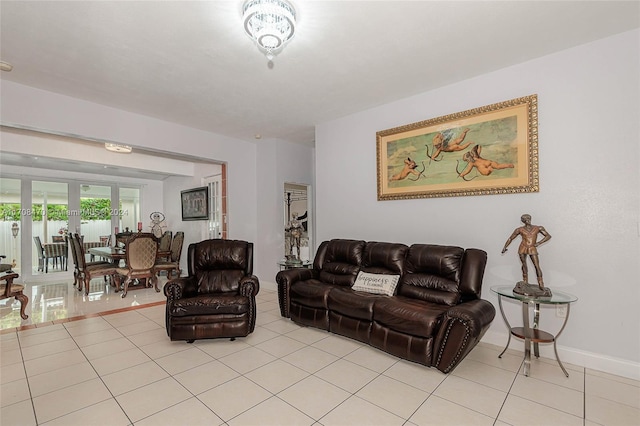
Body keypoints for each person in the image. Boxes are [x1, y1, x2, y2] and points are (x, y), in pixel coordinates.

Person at [502, 214, 552, 293]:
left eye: (528, 218)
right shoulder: (519, 229)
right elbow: (510, 238)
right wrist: (505, 247)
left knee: (537, 266)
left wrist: (539, 243)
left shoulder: (538, 228)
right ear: (523, 221)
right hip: (523, 247)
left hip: (532, 248)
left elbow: (548, 236)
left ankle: (541, 283)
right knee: (524, 264)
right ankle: (525, 281)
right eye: (525, 219)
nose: (528, 220)